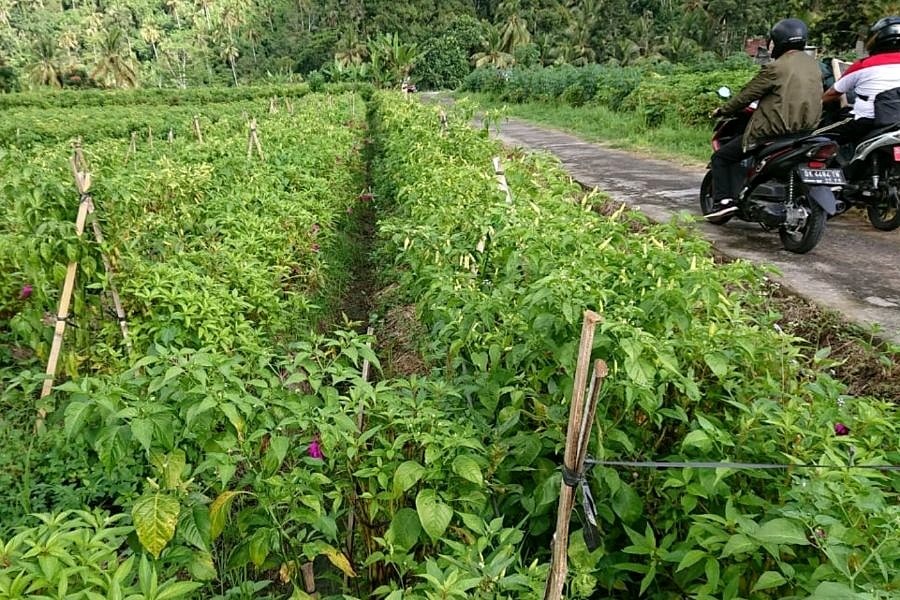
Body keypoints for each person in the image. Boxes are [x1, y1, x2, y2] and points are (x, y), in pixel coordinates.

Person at [706, 18, 823, 219]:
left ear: (778, 41)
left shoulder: (775, 67)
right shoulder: (814, 66)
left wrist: (722, 110)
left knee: (721, 157)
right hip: (805, 133)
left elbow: (746, 96)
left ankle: (723, 202)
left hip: (772, 133)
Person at [820, 16, 900, 145]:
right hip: (895, 125)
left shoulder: (863, 65)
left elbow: (832, 94)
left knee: (816, 138)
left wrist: (817, 104)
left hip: (866, 122)